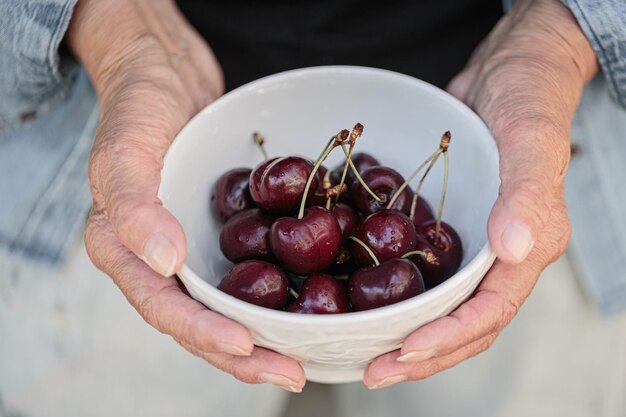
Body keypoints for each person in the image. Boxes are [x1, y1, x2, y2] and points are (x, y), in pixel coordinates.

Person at [0, 0, 624, 416]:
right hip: (122, 132)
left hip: (538, 142)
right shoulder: (305, 218)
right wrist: (110, 24)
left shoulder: (381, 224)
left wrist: (563, 34)